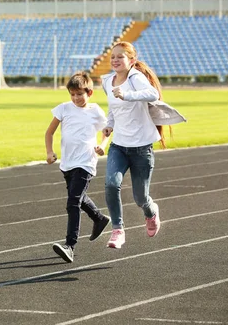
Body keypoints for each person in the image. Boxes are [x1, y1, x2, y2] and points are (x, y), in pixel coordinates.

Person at [101, 41, 184, 249]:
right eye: (113, 56)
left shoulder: (135, 78)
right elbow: (114, 108)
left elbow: (152, 95)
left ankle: (151, 212)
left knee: (140, 198)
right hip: (119, 146)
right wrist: (109, 125)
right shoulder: (107, 82)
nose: (115, 60)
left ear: (132, 60)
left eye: (120, 56)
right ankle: (118, 230)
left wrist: (127, 94)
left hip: (141, 149)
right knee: (111, 184)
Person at [45, 72, 111, 263]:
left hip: (86, 162)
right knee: (80, 199)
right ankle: (99, 218)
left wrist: (102, 146)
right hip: (67, 163)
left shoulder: (95, 111)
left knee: (73, 202)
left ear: (89, 93)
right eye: (72, 94)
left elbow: (107, 130)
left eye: (79, 94)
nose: (75, 98)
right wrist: (50, 152)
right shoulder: (63, 109)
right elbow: (49, 132)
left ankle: (70, 246)